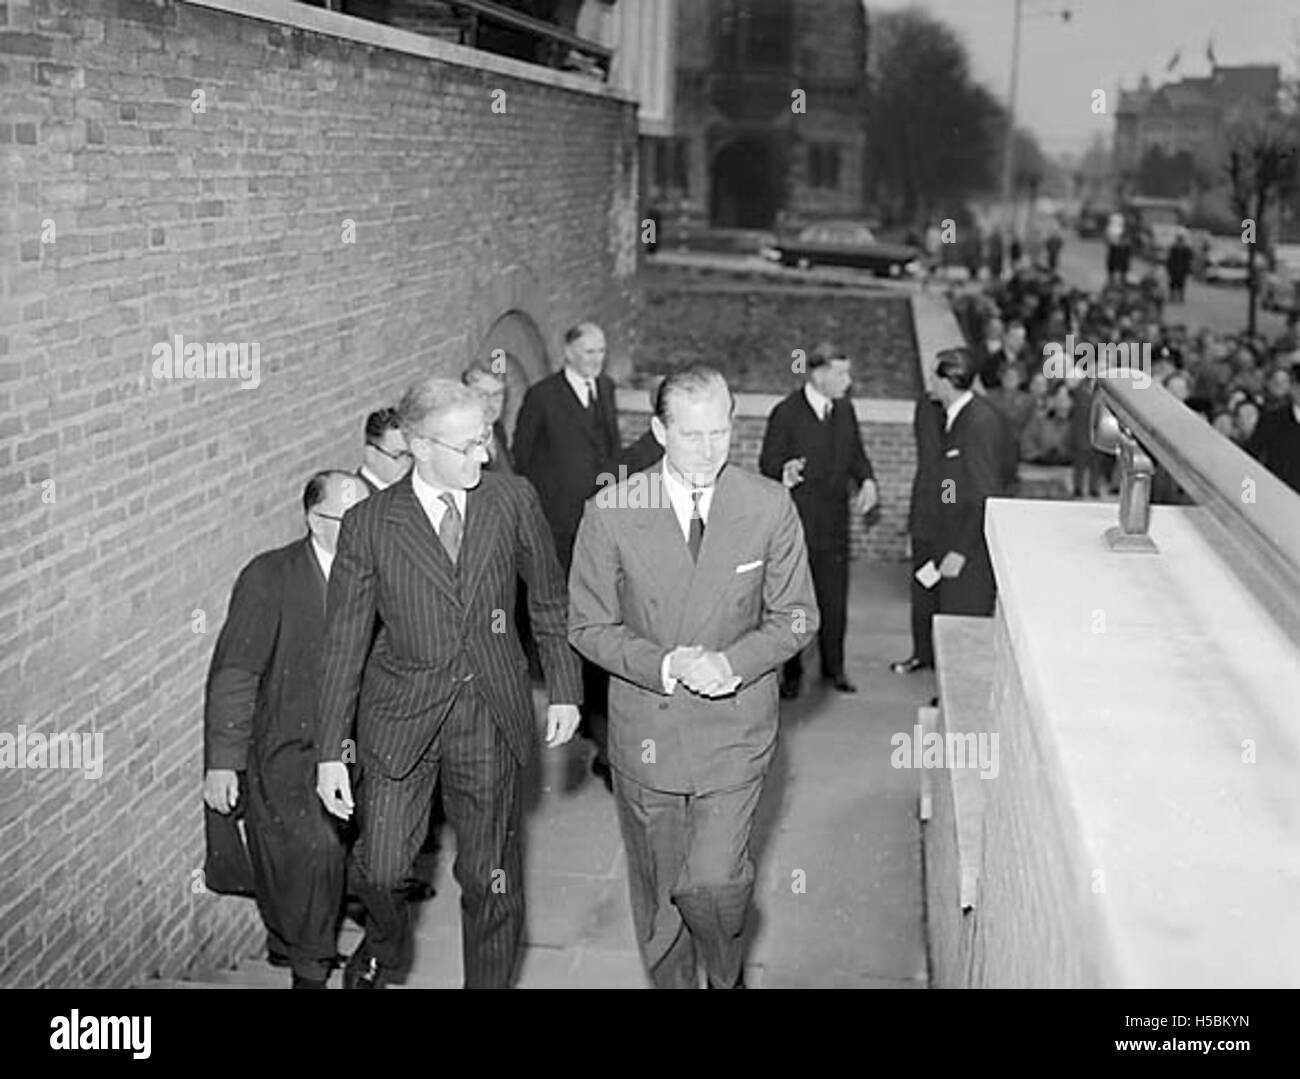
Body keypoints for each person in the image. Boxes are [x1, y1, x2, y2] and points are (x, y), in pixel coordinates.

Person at [315, 378, 583, 989]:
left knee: (491, 879)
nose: (482, 457)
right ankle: (383, 945)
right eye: (467, 446)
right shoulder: (370, 524)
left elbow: (547, 598)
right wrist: (331, 751)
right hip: (400, 717)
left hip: (487, 712)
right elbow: (343, 645)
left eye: (484, 440)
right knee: (381, 871)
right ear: (419, 445)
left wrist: (564, 686)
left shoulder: (511, 498)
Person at [568, 365, 819, 989]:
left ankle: (726, 975)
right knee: (661, 903)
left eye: (720, 432)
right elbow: (587, 626)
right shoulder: (612, 511)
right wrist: (664, 663)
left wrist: (731, 664)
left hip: (734, 731)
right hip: (647, 734)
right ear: (659, 430)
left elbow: (795, 615)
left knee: (713, 883)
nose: (708, 449)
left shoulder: (768, 505)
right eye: (691, 435)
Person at [203, 470, 368, 988]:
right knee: (313, 856)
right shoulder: (269, 577)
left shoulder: (381, 571)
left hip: (358, 746)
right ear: (311, 519)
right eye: (343, 521)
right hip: (286, 751)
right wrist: (223, 762)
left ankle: (312, 948)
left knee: (351, 863)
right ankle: (310, 969)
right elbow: (236, 671)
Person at [512, 321, 621, 788]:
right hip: (558, 534)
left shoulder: (607, 390)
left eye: (602, 350)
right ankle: (577, 711)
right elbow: (522, 461)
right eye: (590, 351)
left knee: (600, 621)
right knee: (567, 624)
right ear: (569, 351)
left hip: (599, 530)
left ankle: (604, 738)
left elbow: (610, 451)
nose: (598, 358)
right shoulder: (541, 396)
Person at [758, 343, 877, 698]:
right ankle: (792, 672)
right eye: (841, 373)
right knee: (796, 603)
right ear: (820, 374)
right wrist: (785, 471)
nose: (848, 381)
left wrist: (867, 479)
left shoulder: (845, 411)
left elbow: (857, 454)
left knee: (834, 599)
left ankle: (833, 667)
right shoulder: (786, 413)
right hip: (798, 527)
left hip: (835, 525)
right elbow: (768, 463)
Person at [925, 347, 1013, 617]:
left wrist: (960, 550)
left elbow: (985, 493)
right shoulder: (957, 418)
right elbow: (953, 481)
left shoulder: (978, 423)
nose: (929, 382)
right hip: (950, 540)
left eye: (933, 376)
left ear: (947, 381)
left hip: (968, 554)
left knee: (962, 628)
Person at [891, 393, 945, 675]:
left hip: (951, 521)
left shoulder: (974, 416)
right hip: (928, 517)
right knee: (924, 587)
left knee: (947, 594)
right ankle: (922, 652)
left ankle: (941, 659)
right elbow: (932, 461)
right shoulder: (929, 408)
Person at [1246, 362, 1300, 492]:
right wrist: (1248, 498)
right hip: (1274, 497)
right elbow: (1249, 459)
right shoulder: (1271, 420)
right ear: (1293, 388)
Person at [462, 361, 514, 473]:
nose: (490, 403)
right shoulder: (461, 441)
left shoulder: (498, 430)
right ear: (466, 397)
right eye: (482, 395)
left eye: (497, 394)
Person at [357, 408, 411, 494]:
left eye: (409, 455)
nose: (406, 464)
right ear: (370, 454)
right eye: (398, 455)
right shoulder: (359, 501)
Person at [1166, 230, 1194, 303]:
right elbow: (1190, 258)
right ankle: (1177, 297)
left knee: (1176, 283)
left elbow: (1169, 258)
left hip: (1178, 269)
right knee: (1178, 283)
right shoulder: (1179, 247)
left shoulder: (1176, 247)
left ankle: (1176, 297)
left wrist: (1168, 268)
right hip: (1179, 269)